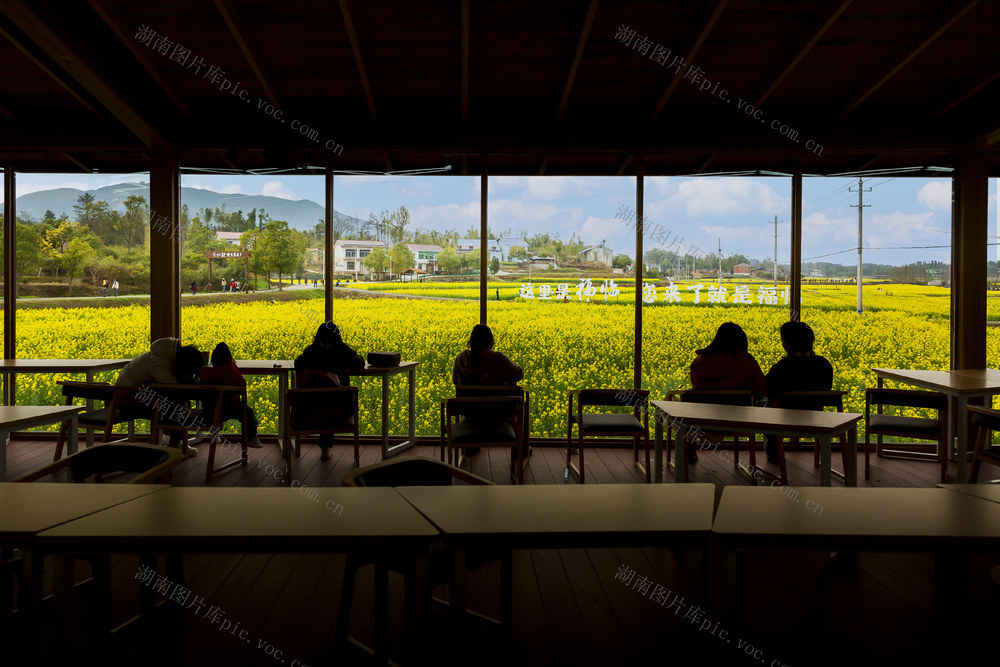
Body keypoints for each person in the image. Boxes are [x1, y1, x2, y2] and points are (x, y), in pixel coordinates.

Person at [686, 322, 766, 464]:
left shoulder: (700, 362)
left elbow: (696, 386)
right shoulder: (747, 362)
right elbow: (762, 390)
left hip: (702, 422)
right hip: (739, 422)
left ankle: (689, 448)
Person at [115, 338, 204, 452]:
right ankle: (175, 444)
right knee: (176, 404)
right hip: (126, 398)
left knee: (176, 403)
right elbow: (173, 388)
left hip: (132, 393)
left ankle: (174, 439)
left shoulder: (164, 355)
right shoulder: (160, 364)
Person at [763, 321, 834, 463]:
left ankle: (774, 455)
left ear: (786, 345)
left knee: (766, 407)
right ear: (811, 341)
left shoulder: (781, 367)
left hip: (783, 421)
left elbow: (766, 389)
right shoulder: (824, 365)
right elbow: (827, 390)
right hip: (816, 419)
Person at [293, 322, 365, 461]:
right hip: (341, 408)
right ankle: (330, 442)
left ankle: (325, 448)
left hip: (311, 407)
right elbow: (360, 362)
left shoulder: (310, 351)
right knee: (334, 396)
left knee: (324, 397)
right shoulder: (343, 351)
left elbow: (297, 364)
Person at [452, 324, 525, 456]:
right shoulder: (498, 359)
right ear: (490, 342)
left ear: (471, 341)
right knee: (521, 402)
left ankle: (470, 446)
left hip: (470, 413)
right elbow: (519, 374)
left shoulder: (461, 358)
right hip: (498, 414)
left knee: (471, 407)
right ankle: (521, 450)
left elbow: (455, 382)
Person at [199, 342, 263, 448]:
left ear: (213, 361)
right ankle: (251, 438)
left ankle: (215, 430)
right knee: (249, 413)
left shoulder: (206, 373)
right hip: (231, 408)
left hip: (210, 412)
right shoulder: (230, 370)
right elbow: (242, 384)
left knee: (212, 411)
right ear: (229, 359)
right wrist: (233, 366)